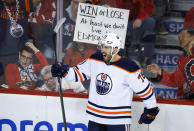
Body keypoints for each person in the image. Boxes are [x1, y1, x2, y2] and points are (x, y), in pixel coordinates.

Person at [51, 32, 159, 130]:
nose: (103, 50)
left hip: (118, 121)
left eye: (107, 47)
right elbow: (78, 74)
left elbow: (146, 89)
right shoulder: (95, 59)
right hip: (95, 118)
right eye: (102, 46)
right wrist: (64, 71)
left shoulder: (129, 67)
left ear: (116, 49)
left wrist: (151, 109)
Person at [147, 7, 194, 99]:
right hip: (185, 102)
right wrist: (160, 72)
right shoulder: (183, 58)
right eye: (179, 35)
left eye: (183, 35)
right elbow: (177, 81)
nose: (180, 38)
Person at [119, 0, 156, 66]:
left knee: (150, 22)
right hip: (118, 19)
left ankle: (147, 57)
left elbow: (150, 8)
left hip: (135, 19)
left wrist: (140, 18)